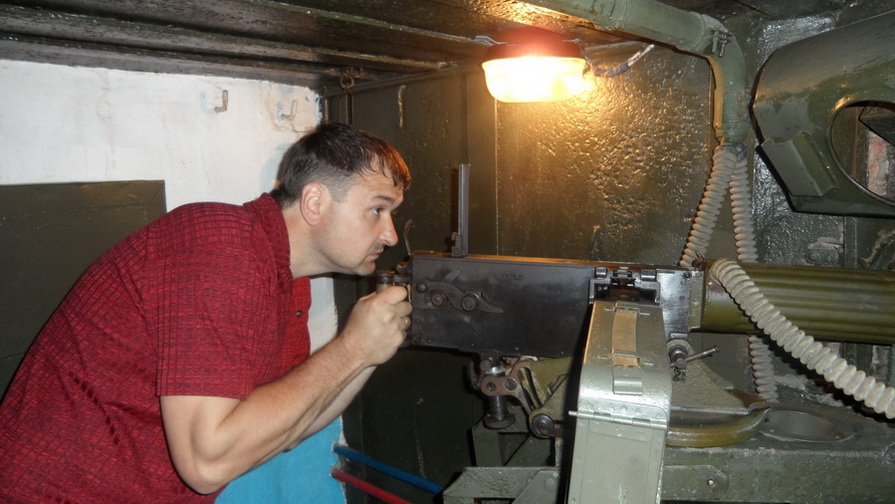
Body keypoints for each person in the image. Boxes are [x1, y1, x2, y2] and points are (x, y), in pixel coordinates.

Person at [0, 122, 413, 502]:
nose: (391, 234)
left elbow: (289, 428)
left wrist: (368, 353)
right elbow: (206, 464)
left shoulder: (285, 277)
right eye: (377, 209)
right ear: (315, 202)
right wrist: (352, 349)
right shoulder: (220, 242)